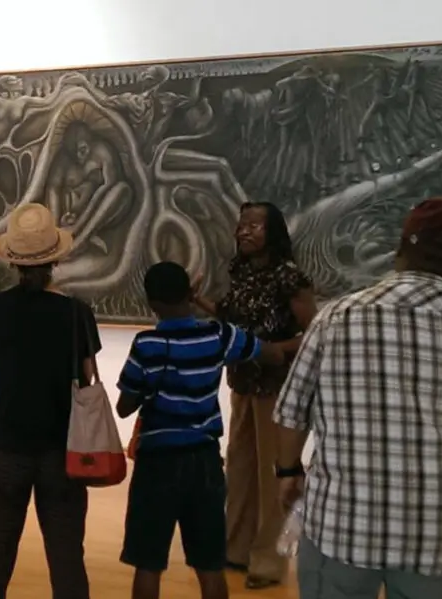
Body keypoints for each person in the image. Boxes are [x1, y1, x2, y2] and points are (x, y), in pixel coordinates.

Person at [273, 198, 442, 599]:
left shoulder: (337, 318)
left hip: (343, 525)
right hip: (437, 536)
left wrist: (288, 472)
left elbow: (293, 414)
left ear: (400, 246)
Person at [115, 261, 286, 599]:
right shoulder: (218, 335)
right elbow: (273, 355)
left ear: (151, 303)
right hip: (205, 462)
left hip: (157, 464)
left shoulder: (147, 345)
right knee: (208, 564)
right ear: (190, 295)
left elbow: (125, 406)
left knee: (148, 563)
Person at [0, 203, 99, 599]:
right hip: (62, 450)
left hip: (4, 446)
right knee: (66, 559)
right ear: (55, 258)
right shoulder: (76, 313)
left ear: (13, 260)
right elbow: (88, 378)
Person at [191, 201, 316, 589]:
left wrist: (280, 349)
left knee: (274, 474)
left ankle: (269, 560)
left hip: (276, 388)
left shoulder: (289, 278)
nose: (244, 231)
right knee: (241, 469)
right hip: (243, 382)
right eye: (241, 225)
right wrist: (197, 300)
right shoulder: (242, 273)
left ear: (273, 232)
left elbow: (314, 331)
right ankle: (236, 548)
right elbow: (232, 318)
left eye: (254, 226)